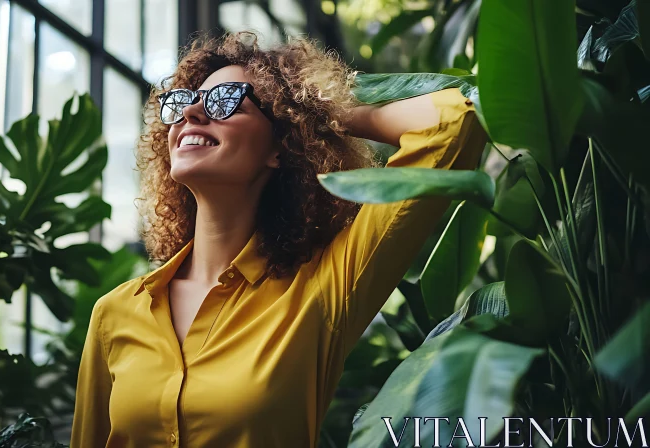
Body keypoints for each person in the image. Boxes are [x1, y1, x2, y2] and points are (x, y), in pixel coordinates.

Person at [70, 31, 487, 448]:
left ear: (280, 146)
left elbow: (453, 124)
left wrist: (315, 111)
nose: (191, 112)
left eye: (226, 99)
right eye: (183, 102)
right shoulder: (115, 314)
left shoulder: (323, 290)